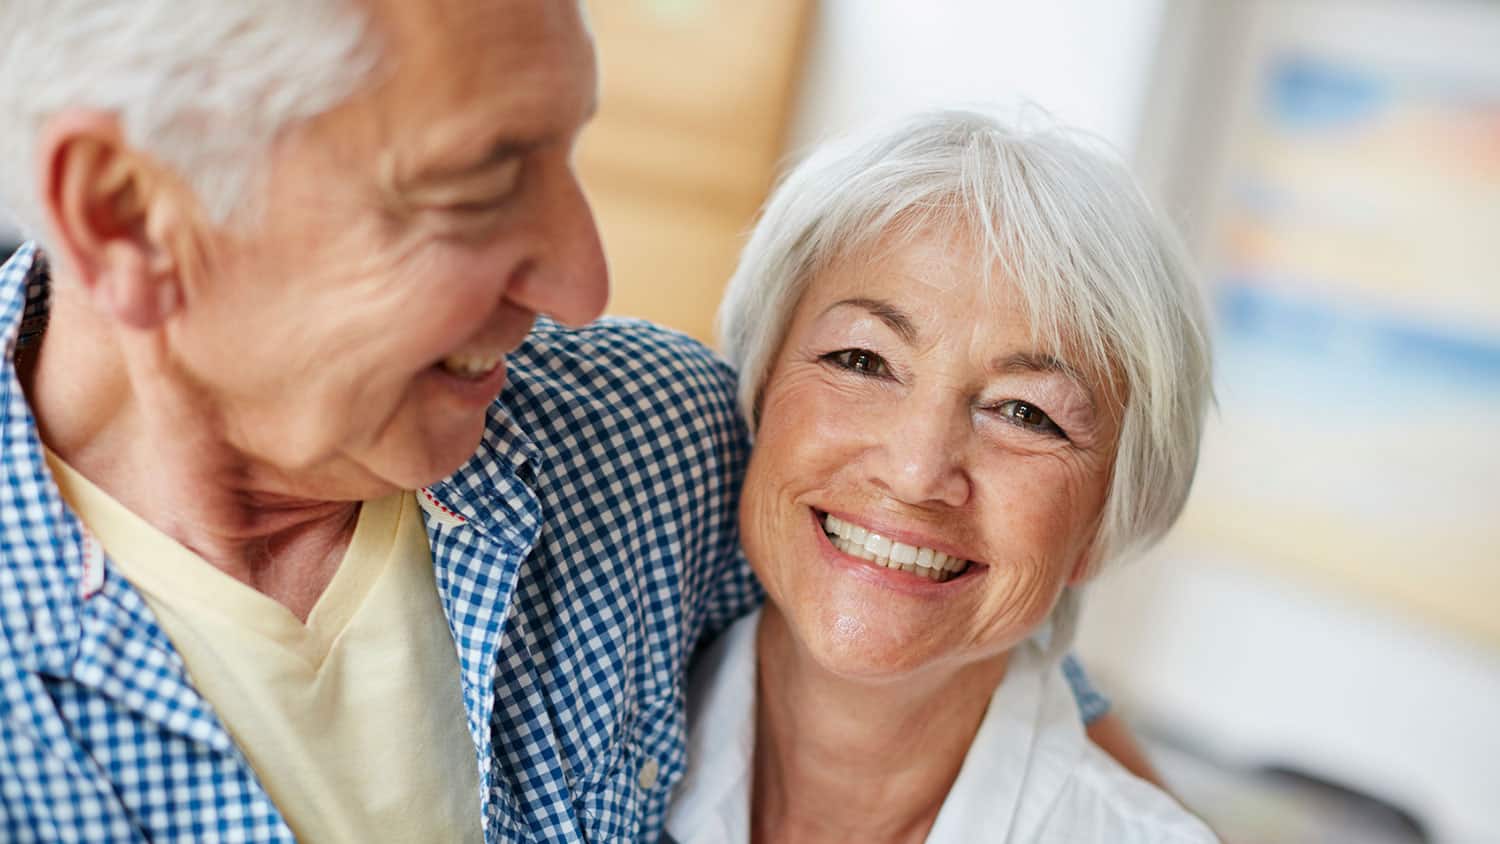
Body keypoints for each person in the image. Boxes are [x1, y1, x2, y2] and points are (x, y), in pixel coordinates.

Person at [0, 3, 1146, 842]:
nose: (584, 282)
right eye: (478, 182)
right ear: (129, 218)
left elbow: (992, 655)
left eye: (563, 151)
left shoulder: (647, 435)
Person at [665, 111, 1217, 843]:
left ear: (1106, 522)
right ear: (759, 392)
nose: (917, 470)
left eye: (1024, 413)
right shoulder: (564, 749)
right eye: (862, 361)